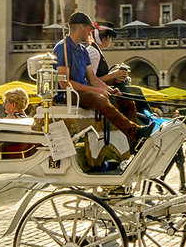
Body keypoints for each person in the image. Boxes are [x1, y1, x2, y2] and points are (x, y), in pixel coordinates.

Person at [54, 11, 153, 149]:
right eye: (89, 30)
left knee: (126, 101)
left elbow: (93, 78)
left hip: (84, 92)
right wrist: (96, 90)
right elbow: (65, 84)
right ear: (81, 27)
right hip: (70, 94)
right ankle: (134, 132)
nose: (90, 34)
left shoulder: (82, 50)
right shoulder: (62, 48)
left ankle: (133, 144)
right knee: (100, 99)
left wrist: (110, 90)